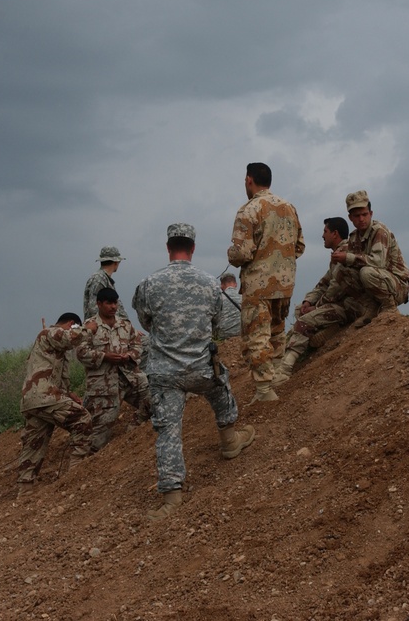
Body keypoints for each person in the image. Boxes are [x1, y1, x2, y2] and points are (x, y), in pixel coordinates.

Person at [134, 223, 256, 521]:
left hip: (165, 373)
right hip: (201, 366)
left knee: (168, 431)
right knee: (220, 386)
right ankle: (229, 441)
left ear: (168, 247)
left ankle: (171, 499)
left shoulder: (149, 283)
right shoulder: (209, 283)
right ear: (193, 248)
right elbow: (216, 323)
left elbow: (145, 322)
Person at [227, 162, 305, 403]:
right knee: (277, 331)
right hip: (284, 284)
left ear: (249, 180)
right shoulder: (289, 207)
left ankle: (264, 391)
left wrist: (231, 253)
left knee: (257, 336)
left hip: (258, 287)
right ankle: (278, 378)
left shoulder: (248, 210)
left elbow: (241, 254)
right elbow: (299, 246)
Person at [274, 217, 370, 384]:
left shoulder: (345, 252)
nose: (322, 235)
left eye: (325, 231)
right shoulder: (337, 255)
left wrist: (316, 308)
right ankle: (327, 330)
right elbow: (323, 283)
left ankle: (284, 369)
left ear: (335, 233)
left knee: (304, 321)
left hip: (349, 306)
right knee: (300, 311)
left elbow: (335, 289)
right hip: (336, 304)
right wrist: (308, 302)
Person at [16, 312, 93, 498]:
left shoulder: (54, 346)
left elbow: (59, 376)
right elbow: (70, 338)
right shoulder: (49, 333)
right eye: (74, 327)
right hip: (44, 396)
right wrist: (88, 329)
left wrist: (69, 393)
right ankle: (76, 470)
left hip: (33, 400)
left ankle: (25, 491)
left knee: (34, 442)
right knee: (82, 419)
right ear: (71, 324)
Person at [76, 287, 151, 452]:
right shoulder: (90, 326)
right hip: (104, 387)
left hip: (130, 378)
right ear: (99, 304)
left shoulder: (125, 325)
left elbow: (138, 345)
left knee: (155, 401)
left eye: (115, 303)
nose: (113, 307)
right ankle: (86, 466)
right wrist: (104, 356)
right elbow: (81, 353)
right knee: (99, 438)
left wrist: (130, 355)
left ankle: (133, 428)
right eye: (109, 303)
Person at [331, 190, 409, 328]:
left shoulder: (379, 231)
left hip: (397, 284)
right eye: (357, 216)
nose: (361, 219)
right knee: (341, 270)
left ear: (371, 214)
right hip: (376, 282)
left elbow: (377, 262)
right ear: (350, 218)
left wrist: (348, 257)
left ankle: (389, 308)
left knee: (366, 272)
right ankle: (370, 308)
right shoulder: (354, 237)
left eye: (364, 214)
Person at [84, 246, 130, 321]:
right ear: (116, 262)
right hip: (102, 330)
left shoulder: (104, 279)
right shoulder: (99, 279)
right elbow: (94, 308)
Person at [216, 273, 242, 339]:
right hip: (242, 332)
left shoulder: (219, 297)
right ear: (236, 284)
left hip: (224, 335)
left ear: (221, 285)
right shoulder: (244, 296)